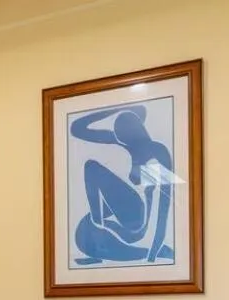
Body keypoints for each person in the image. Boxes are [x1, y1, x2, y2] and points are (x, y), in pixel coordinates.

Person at [69, 104, 175, 265]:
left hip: (138, 226)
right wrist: (114, 110)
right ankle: (99, 240)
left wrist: (153, 253)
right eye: (118, 139)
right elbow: (77, 129)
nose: (118, 142)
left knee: (91, 167)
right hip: (126, 220)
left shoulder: (156, 152)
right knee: (83, 230)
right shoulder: (127, 144)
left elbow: (163, 206)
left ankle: (100, 229)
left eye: (121, 139)